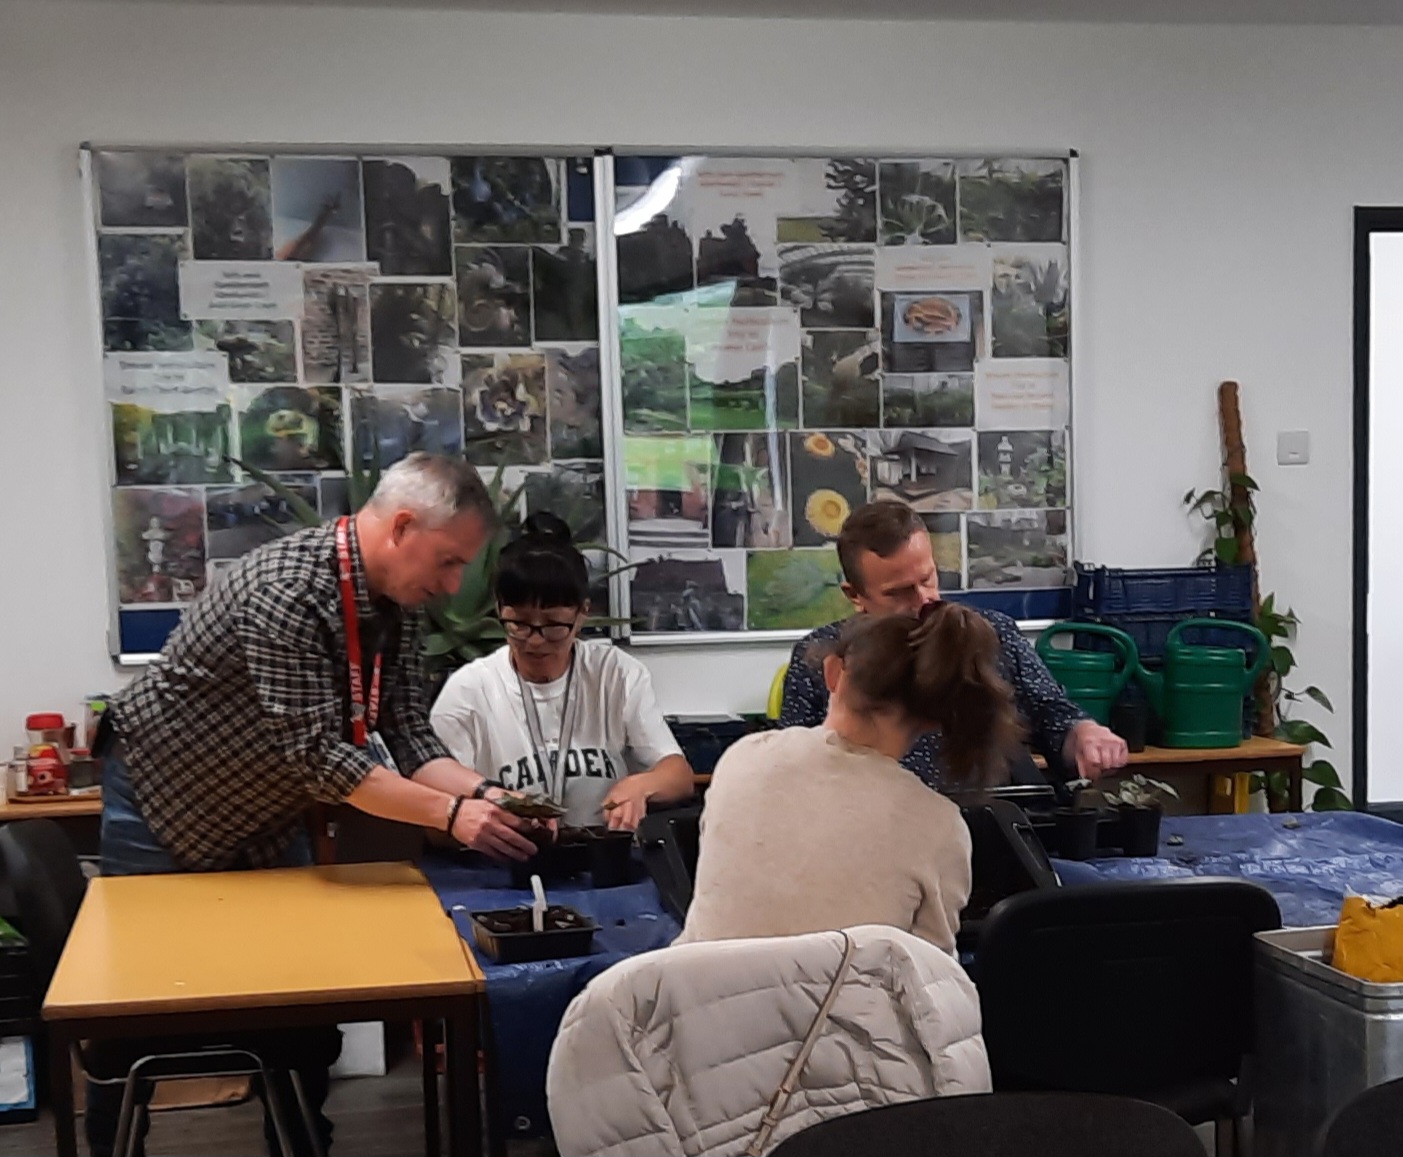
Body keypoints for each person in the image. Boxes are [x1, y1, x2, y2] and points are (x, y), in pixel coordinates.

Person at [94, 452, 540, 1157]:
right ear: (401, 526)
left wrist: (492, 796)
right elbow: (319, 758)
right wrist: (453, 817)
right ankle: (113, 1143)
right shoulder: (287, 587)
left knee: (303, 1009)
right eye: (450, 562)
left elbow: (409, 735)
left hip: (267, 814)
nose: (453, 585)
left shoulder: (396, 603)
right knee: (134, 1015)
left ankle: (305, 1145)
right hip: (163, 799)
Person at [680, 604, 1024, 956]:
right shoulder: (939, 825)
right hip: (842, 1009)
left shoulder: (742, 758)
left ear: (832, 673)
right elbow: (929, 978)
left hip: (700, 1003)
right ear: (932, 719)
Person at [780, 500, 1128, 788]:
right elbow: (797, 771)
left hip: (999, 826)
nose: (924, 600)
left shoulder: (989, 633)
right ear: (855, 595)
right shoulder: (824, 657)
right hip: (874, 831)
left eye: (928, 579)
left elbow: (1052, 713)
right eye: (899, 592)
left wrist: (1084, 733)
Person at [431, 513, 694, 831]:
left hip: (602, 855)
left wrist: (642, 786)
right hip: (505, 863)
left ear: (583, 613)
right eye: (519, 625)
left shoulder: (615, 674)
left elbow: (679, 775)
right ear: (500, 609)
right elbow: (436, 812)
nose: (535, 641)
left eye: (554, 626)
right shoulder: (469, 691)